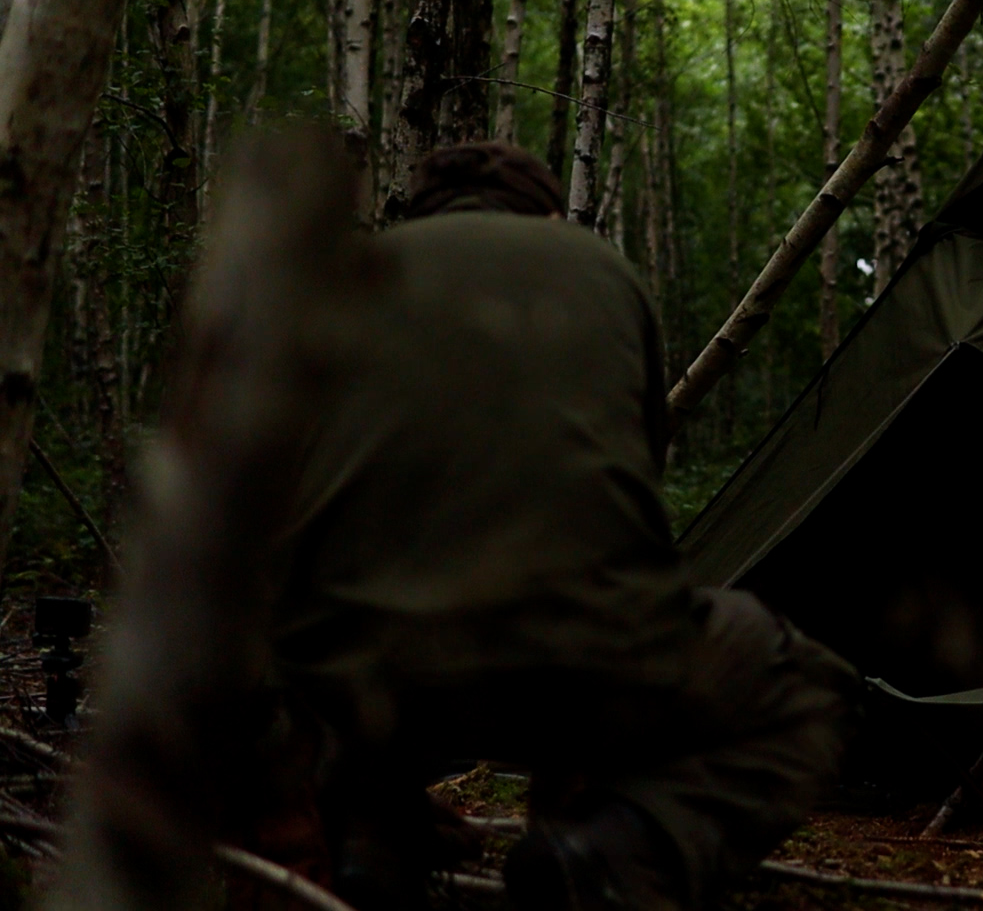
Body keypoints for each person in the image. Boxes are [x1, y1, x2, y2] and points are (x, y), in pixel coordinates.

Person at [55, 139, 858, 911]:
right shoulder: (605, 270)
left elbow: (274, 517)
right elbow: (632, 486)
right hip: (585, 662)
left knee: (286, 663)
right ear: (546, 219)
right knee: (802, 689)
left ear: (419, 215)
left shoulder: (340, 281)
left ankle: (359, 844)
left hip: (362, 674)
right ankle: (613, 848)